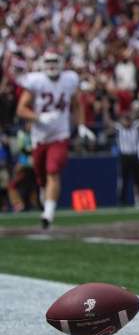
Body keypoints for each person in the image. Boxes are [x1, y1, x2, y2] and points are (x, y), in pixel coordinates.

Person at [15, 51, 94, 229]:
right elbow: (21, 109)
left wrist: (81, 125)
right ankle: (45, 194)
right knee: (41, 175)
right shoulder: (36, 81)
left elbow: (76, 104)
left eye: (54, 61)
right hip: (39, 137)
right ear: (43, 63)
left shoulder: (69, 80)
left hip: (60, 135)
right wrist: (38, 117)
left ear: (61, 63)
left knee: (53, 170)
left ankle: (48, 214)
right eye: (48, 61)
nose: (51, 65)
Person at [114, 104, 139, 207]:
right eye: (125, 119)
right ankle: (122, 201)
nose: (127, 121)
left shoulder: (135, 126)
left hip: (134, 156)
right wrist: (105, 110)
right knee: (123, 180)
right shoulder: (119, 128)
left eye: (128, 119)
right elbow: (107, 122)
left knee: (138, 179)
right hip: (124, 156)